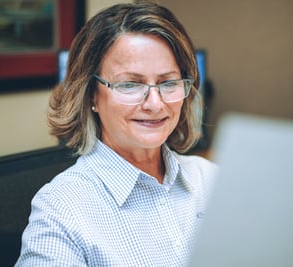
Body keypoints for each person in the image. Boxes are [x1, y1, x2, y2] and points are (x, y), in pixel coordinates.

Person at [15, 1, 217, 266]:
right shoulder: (60, 210)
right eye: (130, 84)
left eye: (168, 82)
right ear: (91, 95)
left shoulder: (211, 180)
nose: (155, 104)